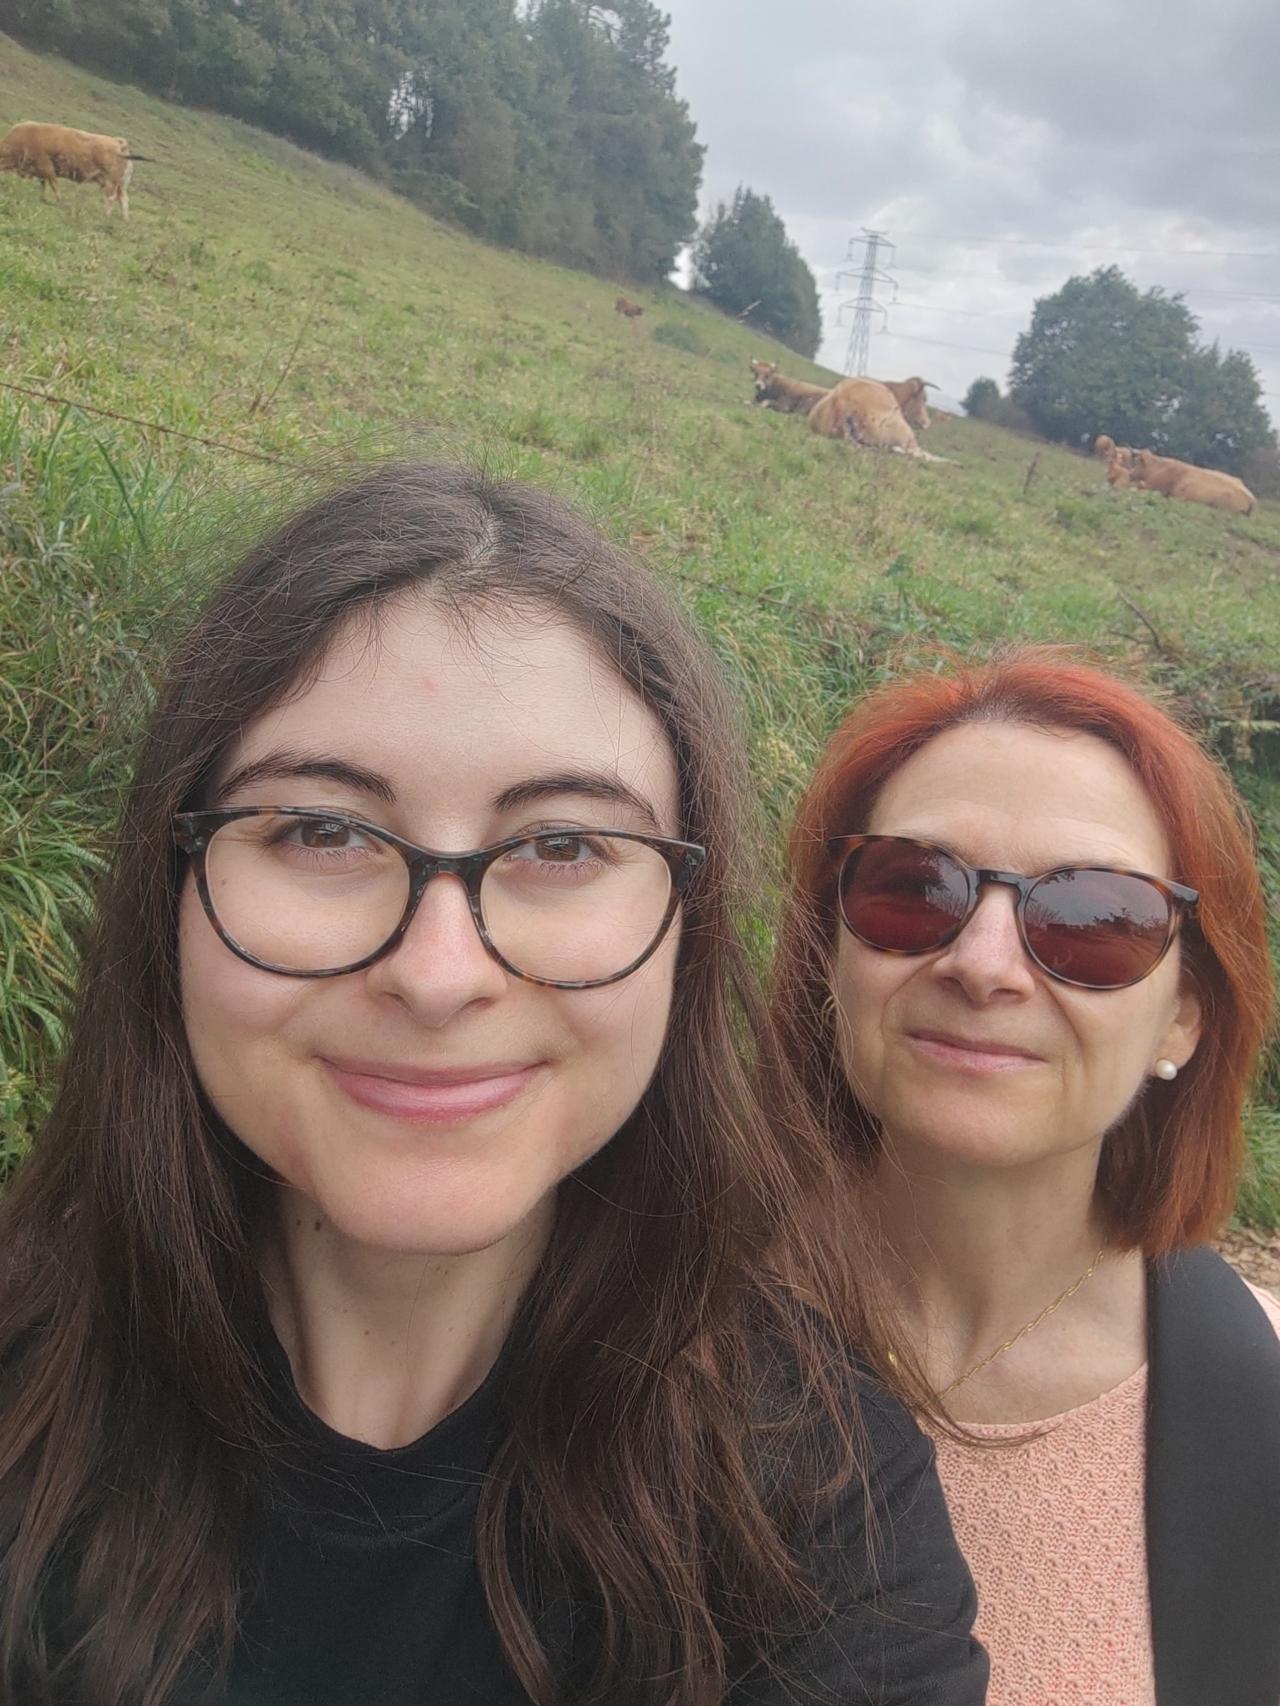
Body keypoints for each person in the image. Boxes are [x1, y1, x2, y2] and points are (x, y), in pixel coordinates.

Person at [0, 463, 989, 1706]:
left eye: (564, 845)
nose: (437, 972)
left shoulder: (821, 1510)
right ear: (173, 881)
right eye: (322, 828)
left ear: (685, 925)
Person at [772, 647, 1280, 1706]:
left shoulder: (1249, 1416)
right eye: (913, 888)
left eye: (1093, 919)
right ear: (829, 950)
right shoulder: (628, 1298)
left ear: (1181, 1014)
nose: (983, 963)